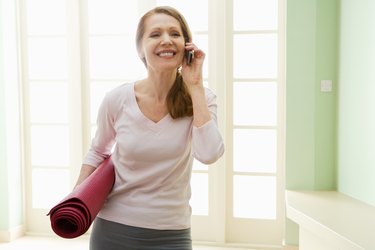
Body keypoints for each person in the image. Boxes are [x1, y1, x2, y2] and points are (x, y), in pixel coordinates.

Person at [74, 5, 224, 250]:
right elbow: (98, 152)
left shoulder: (202, 98)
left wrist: (195, 85)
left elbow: (209, 154)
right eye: (155, 34)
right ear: (140, 48)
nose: (166, 40)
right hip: (112, 228)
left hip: (171, 234)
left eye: (175, 34)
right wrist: (75, 200)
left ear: (186, 45)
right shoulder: (117, 99)